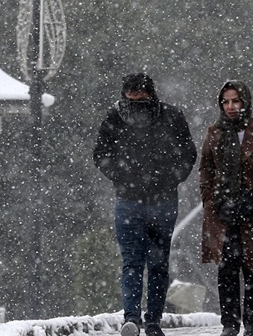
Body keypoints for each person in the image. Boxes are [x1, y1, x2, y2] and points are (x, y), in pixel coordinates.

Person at [93, 73, 197, 336]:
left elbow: (187, 153)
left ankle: (149, 320)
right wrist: (125, 176)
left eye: (141, 99)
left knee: (151, 264)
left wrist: (168, 179)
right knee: (138, 262)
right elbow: (101, 154)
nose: (136, 105)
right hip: (132, 200)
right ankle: (136, 319)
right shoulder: (116, 118)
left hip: (157, 200)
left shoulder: (171, 117)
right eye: (132, 100)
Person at [199, 80, 253, 336]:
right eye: (225, 101)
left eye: (235, 101)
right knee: (226, 269)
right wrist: (210, 200)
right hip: (222, 211)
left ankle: (251, 325)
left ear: (244, 101)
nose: (230, 106)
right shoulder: (214, 132)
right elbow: (205, 169)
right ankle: (229, 324)